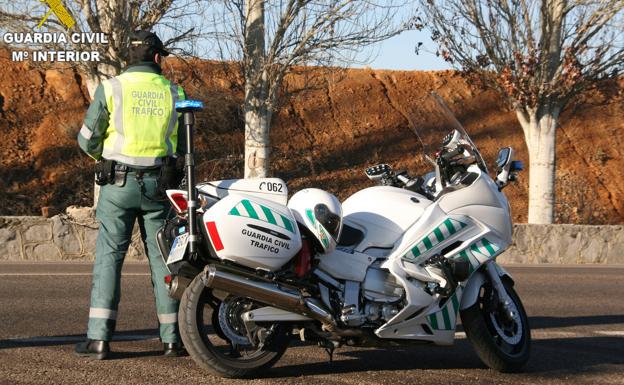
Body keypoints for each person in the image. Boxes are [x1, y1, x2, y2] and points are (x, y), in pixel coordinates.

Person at [74, 30, 186, 359]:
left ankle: (99, 340)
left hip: (117, 185)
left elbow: (86, 139)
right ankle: (171, 339)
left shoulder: (111, 88)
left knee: (109, 259)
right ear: (155, 57)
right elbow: (181, 144)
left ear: (129, 56)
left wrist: (103, 158)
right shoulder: (175, 92)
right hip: (159, 188)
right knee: (165, 260)